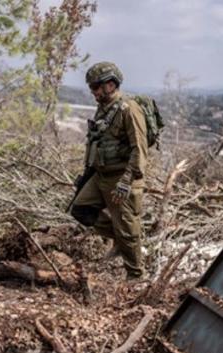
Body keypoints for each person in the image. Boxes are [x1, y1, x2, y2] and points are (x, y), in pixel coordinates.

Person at [70, 62, 148, 280]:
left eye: (97, 87)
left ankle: (136, 276)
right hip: (101, 175)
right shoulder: (103, 108)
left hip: (123, 177)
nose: (93, 91)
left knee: (127, 228)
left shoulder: (128, 110)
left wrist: (126, 181)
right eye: (92, 87)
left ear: (111, 84)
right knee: (80, 209)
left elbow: (139, 150)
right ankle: (121, 240)